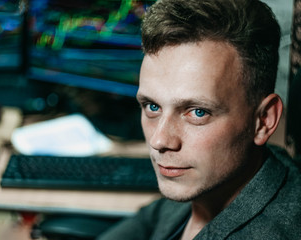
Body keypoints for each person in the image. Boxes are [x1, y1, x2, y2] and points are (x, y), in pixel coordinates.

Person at [98, 0, 301, 239]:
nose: (159, 140)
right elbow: (148, 221)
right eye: (152, 106)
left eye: (197, 112)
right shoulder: (206, 181)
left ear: (264, 120)